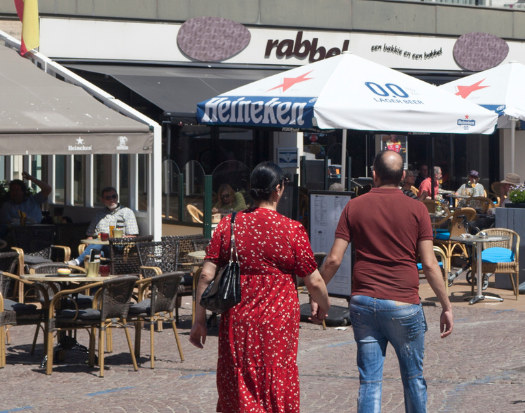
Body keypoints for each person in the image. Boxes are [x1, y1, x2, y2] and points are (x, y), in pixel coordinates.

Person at [319, 150, 453, 413]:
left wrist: (317, 293)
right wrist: (446, 305)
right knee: (413, 378)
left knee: (369, 381)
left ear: (374, 175)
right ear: (403, 177)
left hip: (364, 301)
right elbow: (428, 264)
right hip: (403, 301)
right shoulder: (417, 209)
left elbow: (333, 259)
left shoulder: (354, 206)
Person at [190, 162, 330, 413]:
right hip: (278, 323)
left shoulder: (228, 225)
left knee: (238, 375)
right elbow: (315, 281)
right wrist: (324, 305)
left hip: (238, 320)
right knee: (276, 374)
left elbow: (205, 276)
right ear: (278, 189)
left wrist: (199, 320)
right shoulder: (292, 230)